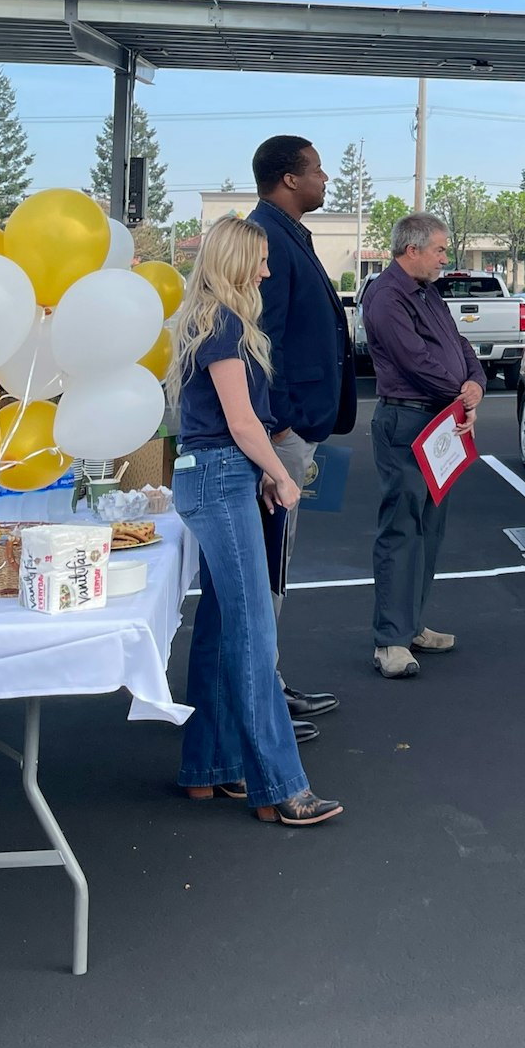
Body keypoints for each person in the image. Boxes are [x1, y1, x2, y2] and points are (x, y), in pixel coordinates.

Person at [168, 217, 342, 826]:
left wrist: (263, 470)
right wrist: (282, 474)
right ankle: (278, 785)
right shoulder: (222, 322)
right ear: (237, 264)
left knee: (222, 627)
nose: (268, 272)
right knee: (253, 634)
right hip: (221, 477)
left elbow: (235, 423)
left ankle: (209, 769)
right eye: (260, 261)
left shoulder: (209, 319)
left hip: (215, 475)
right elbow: (242, 424)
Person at [250, 135, 357, 741]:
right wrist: (282, 421)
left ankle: (270, 677)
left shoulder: (290, 231)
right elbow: (266, 339)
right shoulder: (264, 236)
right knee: (270, 560)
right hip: (285, 431)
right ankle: (260, 692)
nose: (325, 178)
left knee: (280, 559)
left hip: (304, 425)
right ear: (289, 179)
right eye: (317, 169)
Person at [362, 212, 485, 679]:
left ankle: (411, 625)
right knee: (401, 528)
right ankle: (390, 642)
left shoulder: (428, 292)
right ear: (411, 249)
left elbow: (460, 345)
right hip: (406, 421)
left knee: (429, 527)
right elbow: (415, 362)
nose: (444, 257)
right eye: (439, 249)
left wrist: (474, 384)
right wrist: (462, 391)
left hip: (439, 421)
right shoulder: (387, 296)